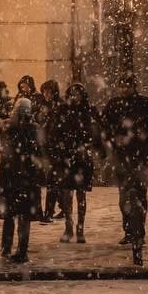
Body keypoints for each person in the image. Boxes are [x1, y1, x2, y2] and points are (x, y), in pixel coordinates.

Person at [101, 74, 148, 250]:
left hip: (139, 157)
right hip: (123, 157)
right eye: (122, 85)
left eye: (127, 85)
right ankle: (130, 230)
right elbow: (104, 128)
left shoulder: (144, 104)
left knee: (138, 195)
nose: (124, 89)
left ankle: (138, 231)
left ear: (134, 86)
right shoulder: (115, 105)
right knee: (125, 195)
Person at [0, 97, 42, 263]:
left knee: (11, 214)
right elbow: (40, 152)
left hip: (12, 176)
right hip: (26, 178)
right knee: (23, 216)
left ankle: (7, 248)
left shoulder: (9, 126)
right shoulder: (34, 128)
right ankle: (21, 250)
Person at [49, 83, 98, 243]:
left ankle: (80, 228)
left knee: (81, 195)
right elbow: (54, 132)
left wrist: (86, 145)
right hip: (66, 158)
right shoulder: (62, 111)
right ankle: (69, 227)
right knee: (66, 194)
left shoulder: (88, 111)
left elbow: (93, 133)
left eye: (77, 94)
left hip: (81, 158)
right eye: (72, 94)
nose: (74, 97)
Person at [34, 79, 63, 223]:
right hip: (43, 147)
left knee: (53, 181)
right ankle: (58, 207)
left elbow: (59, 127)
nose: (46, 94)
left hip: (55, 148)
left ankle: (49, 212)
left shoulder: (59, 106)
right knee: (48, 180)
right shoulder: (42, 105)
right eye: (44, 91)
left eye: (48, 91)